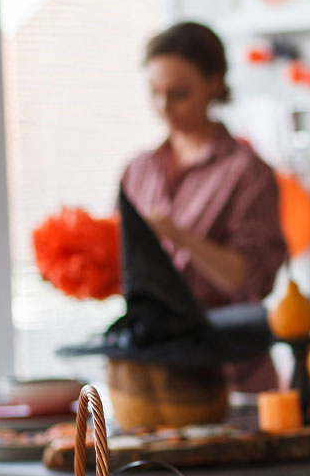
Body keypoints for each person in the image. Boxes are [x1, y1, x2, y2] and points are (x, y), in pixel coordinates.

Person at [120, 21, 286, 393]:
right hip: (155, 370)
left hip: (230, 371)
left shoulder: (248, 172)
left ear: (214, 83)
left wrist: (178, 236)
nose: (164, 107)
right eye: (155, 93)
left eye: (178, 94)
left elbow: (248, 279)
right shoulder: (138, 170)